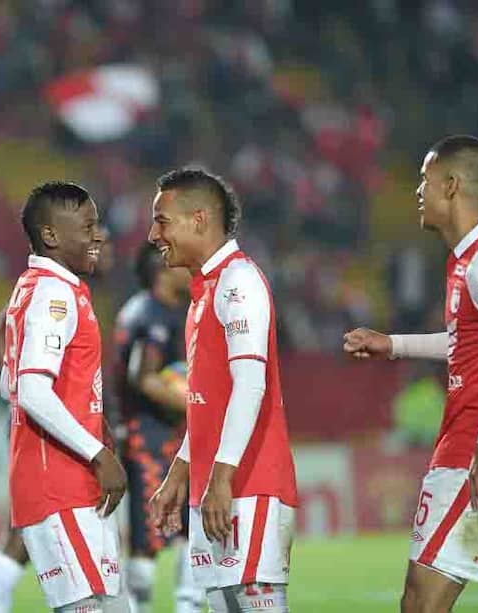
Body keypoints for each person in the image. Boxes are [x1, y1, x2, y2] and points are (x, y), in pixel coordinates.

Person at [342, 135, 478, 612]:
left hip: (473, 460)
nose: (418, 191)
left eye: (424, 180)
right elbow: (476, 345)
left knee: (420, 604)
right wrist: (394, 344)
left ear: (452, 185)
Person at [147, 169, 297, 612]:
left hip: (247, 485)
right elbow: (210, 403)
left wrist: (221, 477)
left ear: (198, 219)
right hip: (218, 486)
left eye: (162, 220)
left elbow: (252, 385)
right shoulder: (204, 291)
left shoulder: (238, 282)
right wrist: (180, 471)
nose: (154, 234)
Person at [1, 181, 130, 612]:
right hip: (62, 484)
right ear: (51, 236)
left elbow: (9, 384)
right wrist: (98, 453)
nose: (98, 235)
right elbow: (32, 389)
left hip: (60, 483)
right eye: (88, 226)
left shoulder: (32, 287)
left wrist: (94, 421)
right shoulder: (55, 294)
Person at [113, 243, 203, 613]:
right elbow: (144, 378)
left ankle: (188, 605)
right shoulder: (150, 315)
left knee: (187, 525)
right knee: (147, 536)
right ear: (163, 270)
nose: (188, 270)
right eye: (180, 265)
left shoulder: (161, 310)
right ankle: (140, 605)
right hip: (147, 434)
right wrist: (194, 405)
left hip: (169, 432)